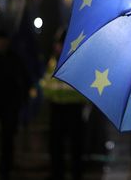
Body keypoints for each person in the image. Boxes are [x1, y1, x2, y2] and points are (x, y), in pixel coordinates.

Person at [0, 31, 31, 180]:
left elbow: (24, 80)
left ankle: (5, 171)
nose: (2, 43)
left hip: (9, 107)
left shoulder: (14, 58)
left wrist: (21, 99)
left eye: (4, 40)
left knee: (7, 141)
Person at [42, 30, 87, 180]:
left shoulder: (76, 63)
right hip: (57, 108)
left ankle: (76, 174)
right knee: (56, 146)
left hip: (73, 108)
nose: (57, 48)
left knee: (75, 147)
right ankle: (57, 174)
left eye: (60, 44)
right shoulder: (52, 63)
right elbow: (46, 85)